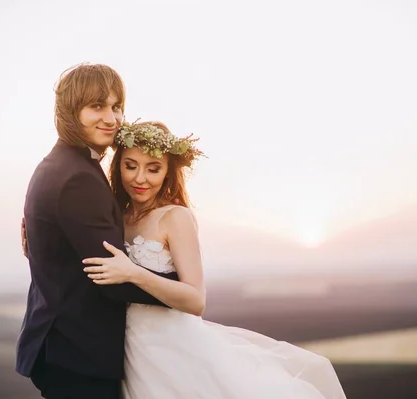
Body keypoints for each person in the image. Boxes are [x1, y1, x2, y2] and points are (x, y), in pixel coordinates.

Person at [79, 120, 348, 398]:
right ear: (118, 165)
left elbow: (196, 300)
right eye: (130, 165)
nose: (140, 178)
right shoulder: (116, 218)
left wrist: (133, 273)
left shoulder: (175, 217)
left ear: (168, 172)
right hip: (129, 351)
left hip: (174, 351)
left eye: (153, 168)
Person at [15, 64, 179, 399]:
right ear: (70, 111)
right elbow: (110, 279)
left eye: (116, 106)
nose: (111, 118)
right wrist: (177, 287)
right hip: (78, 355)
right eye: (97, 106)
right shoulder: (78, 177)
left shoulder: (57, 164)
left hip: (58, 344)